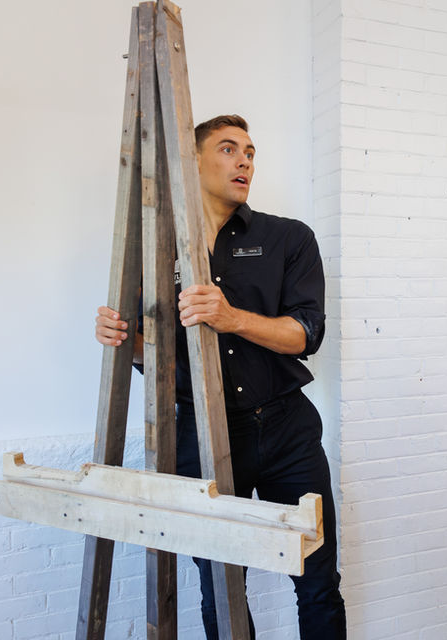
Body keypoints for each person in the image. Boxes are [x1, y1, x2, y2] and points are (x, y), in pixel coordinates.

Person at [95, 115, 346, 638]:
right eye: (229, 149)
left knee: (317, 576)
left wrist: (232, 318)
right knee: (219, 584)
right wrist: (124, 339)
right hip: (198, 433)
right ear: (193, 161)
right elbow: (154, 355)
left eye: (250, 152)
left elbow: (306, 334)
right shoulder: (154, 248)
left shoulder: (288, 238)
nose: (244, 161)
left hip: (286, 432)